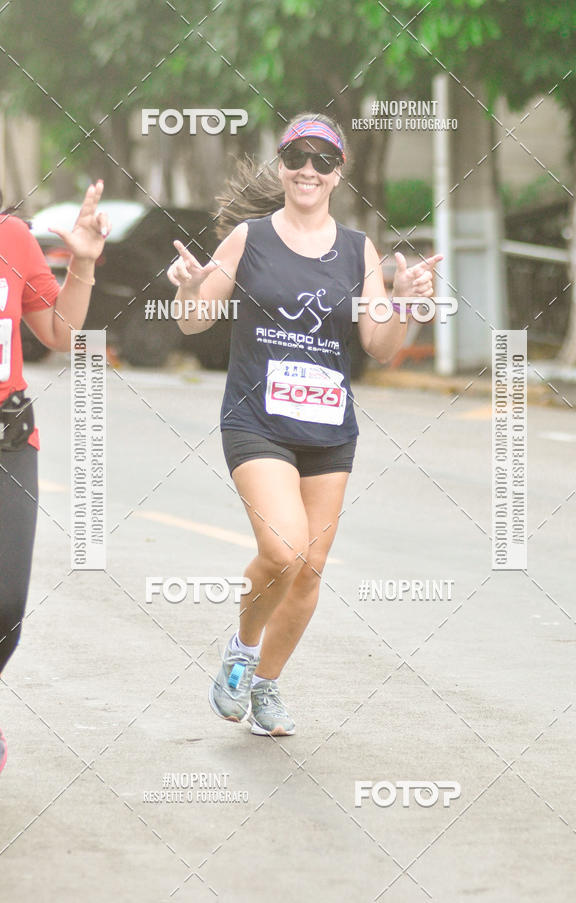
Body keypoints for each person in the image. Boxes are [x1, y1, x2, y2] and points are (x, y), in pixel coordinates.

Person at [167, 113, 441, 737]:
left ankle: (266, 687)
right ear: (282, 166)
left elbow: (379, 345)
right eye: (297, 158)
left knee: (311, 567)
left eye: (322, 160)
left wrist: (406, 302)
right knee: (282, 549)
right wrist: (186, 289)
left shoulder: (358, 251)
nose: (308, 170)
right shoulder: (248, 239)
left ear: (338, 174)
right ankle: (241, 648)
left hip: (328, 430)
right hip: (257, 421)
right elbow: (193, 322)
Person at [0, 181, 111, 772]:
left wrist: (84, 265)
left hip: (9, 439)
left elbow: (61, 335)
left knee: (6, 603)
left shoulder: (12, 237)